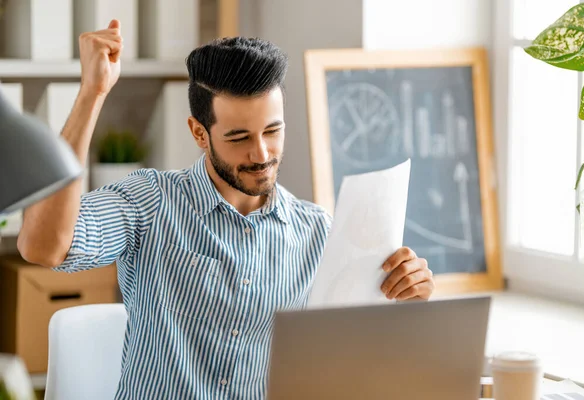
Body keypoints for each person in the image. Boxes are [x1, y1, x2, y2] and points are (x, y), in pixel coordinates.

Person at [17, 19, 435, 399]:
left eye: (273, 131)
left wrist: (409, 302)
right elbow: (42, 247)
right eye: (239, 137)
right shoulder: (150, 202)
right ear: (200, 133)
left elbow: (356, 361)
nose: (262, 153)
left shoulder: (319, 232)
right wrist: (92, 94)